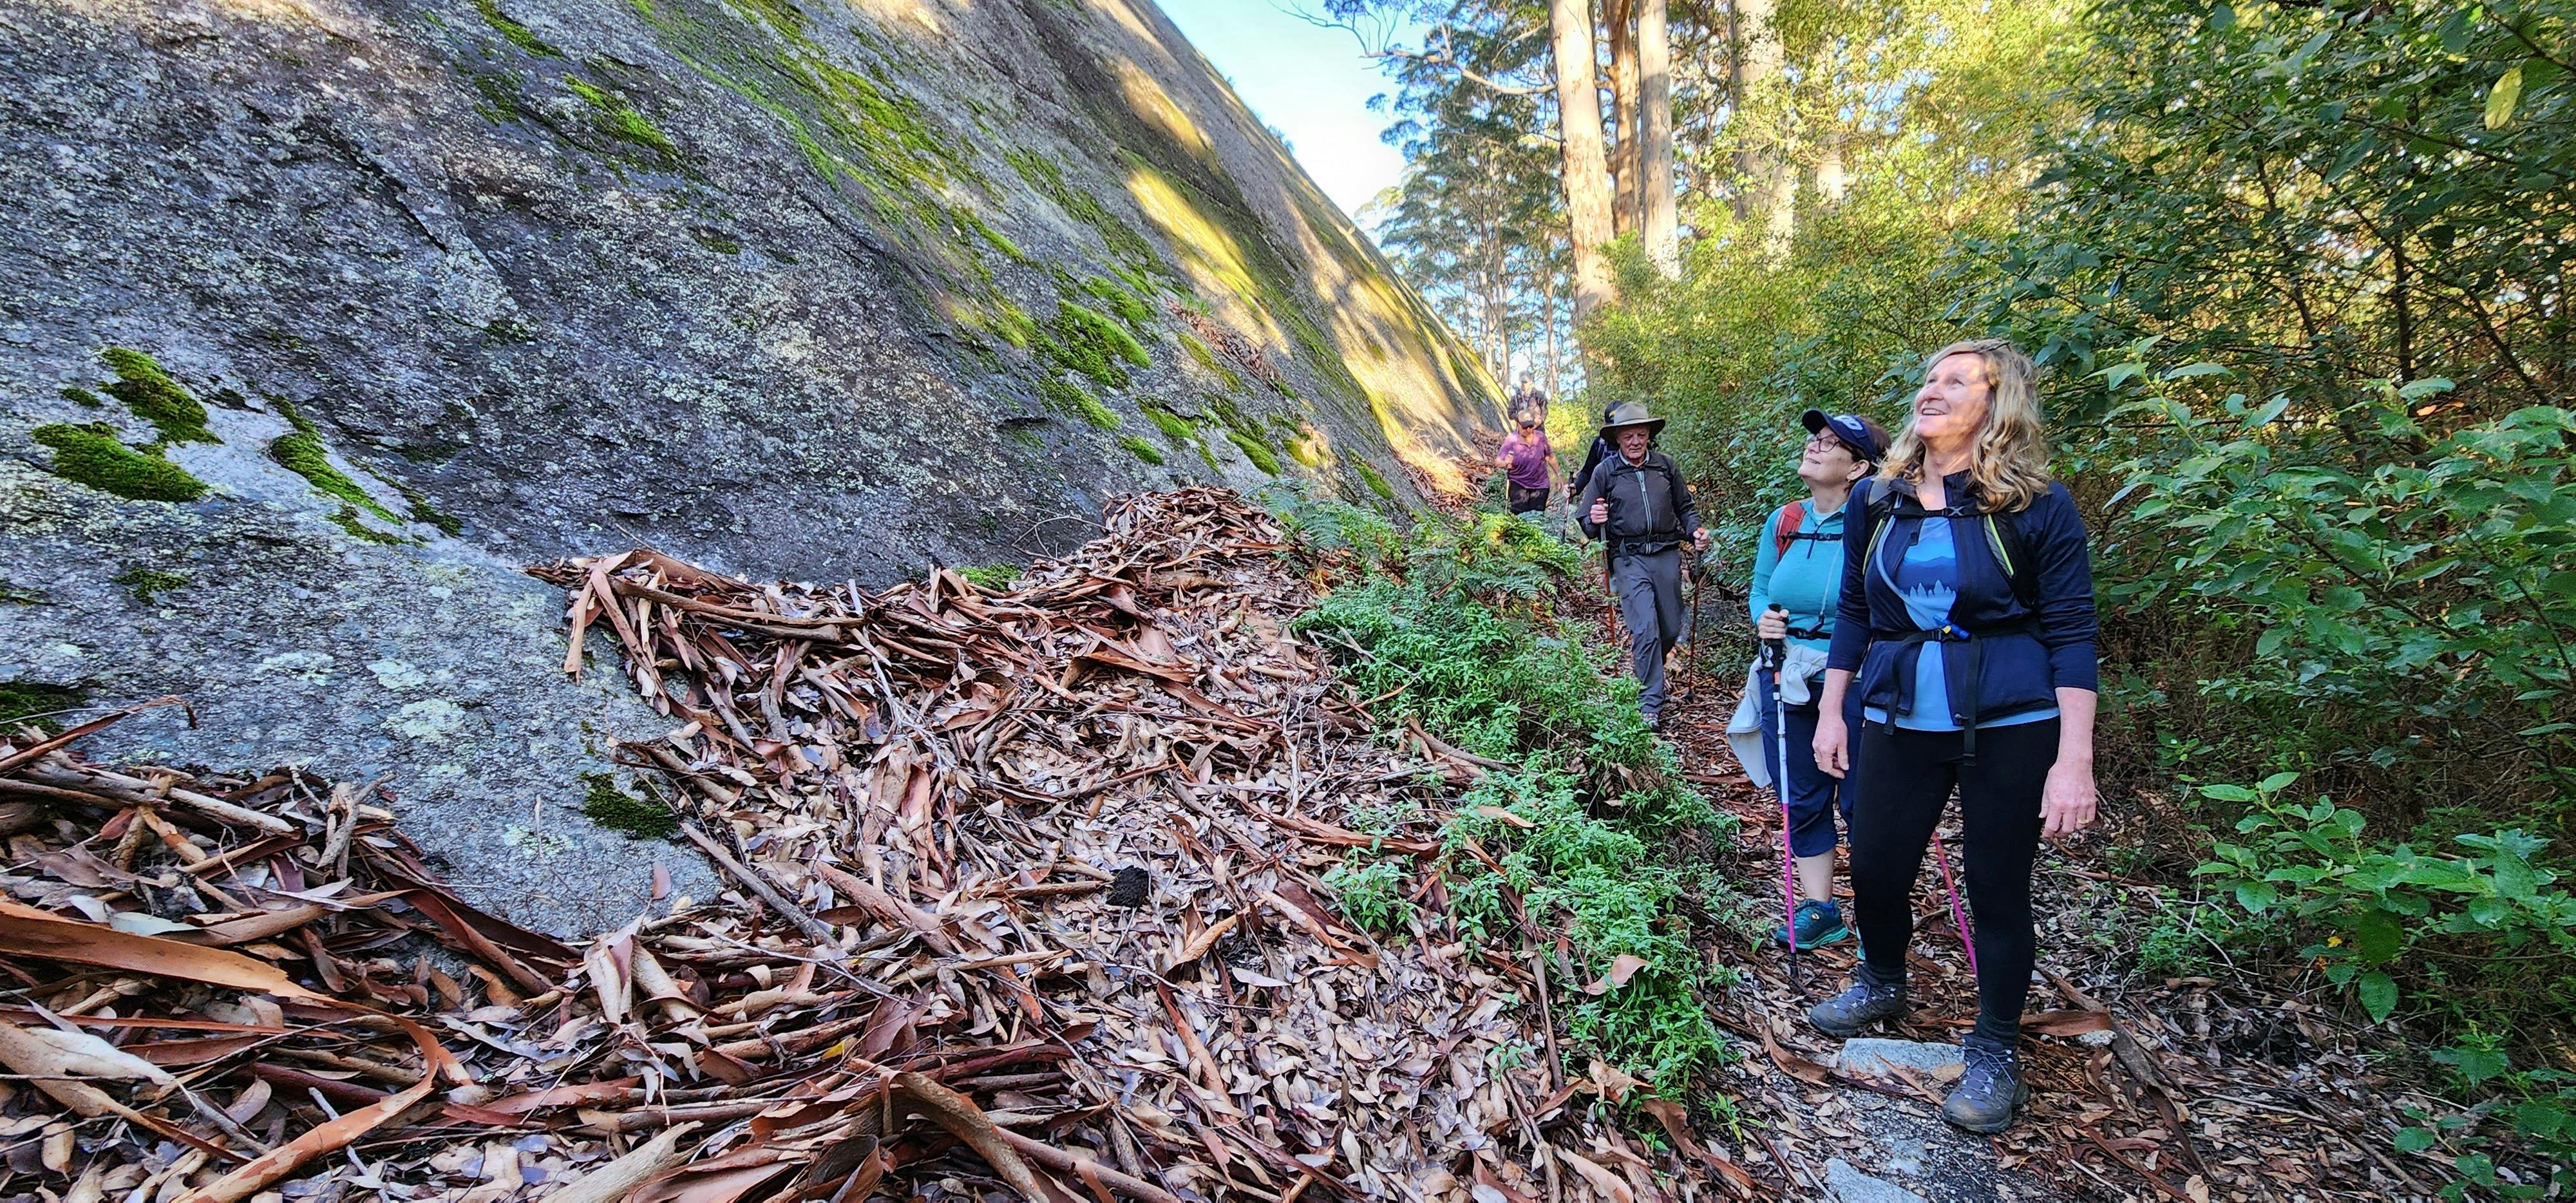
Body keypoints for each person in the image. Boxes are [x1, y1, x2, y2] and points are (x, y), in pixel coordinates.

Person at [1804, 339, 2100, 1134]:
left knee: (1997, 883)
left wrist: (2074, 759)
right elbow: (1858, 610)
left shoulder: (2037, 503)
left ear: (1995, 404)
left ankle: (1997, 1045)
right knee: (1876, 860)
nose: (1931, 390)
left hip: (2011, 717)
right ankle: (1881, 978)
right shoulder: (1878, 497)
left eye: (1955, 381)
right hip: (1897, 707)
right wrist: (1833, 710)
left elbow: (2072, 631)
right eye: (1928, 378)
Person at [1741, 409, 1888, 950]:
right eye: (1815, 439)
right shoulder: (1785, 520)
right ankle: (1820, 909)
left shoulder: (1879, 520)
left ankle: (1879, 918)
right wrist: (1765, 617)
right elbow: (1761, 586)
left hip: (1857, 677)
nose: (1815, 447)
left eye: (1831, 444)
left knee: (1862, 800)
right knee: (1802, 796)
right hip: (1786, 671)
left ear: (1857, 469)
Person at [1578, 403, 1710, 730]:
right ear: (1618, 439)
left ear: (1649, 435)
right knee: (1645, 629)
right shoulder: (1605, 472)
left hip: (1666, 554)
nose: (1635, 441)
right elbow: (1586, 517)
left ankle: (1651, 668)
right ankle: (1650, 702)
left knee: (1670, 627)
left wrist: (1695, 532)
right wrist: (1594, 520)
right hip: (1628, 557)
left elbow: (1686, 507)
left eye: (1640, 434)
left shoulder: (1665, 467)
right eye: (1628, 436)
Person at [1496, 407, 1558, 516]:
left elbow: (1550, 456)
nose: (1529, 430)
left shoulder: (1540, 437)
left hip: (1541, 485)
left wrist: (1559, 475)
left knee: (1537, 519)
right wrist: (1506, 463)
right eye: (1525, 427)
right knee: (1520, 518)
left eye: (1531, 426)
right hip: (1518, 484)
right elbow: (1497, 462)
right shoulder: (1512, 440)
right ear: (1518, 425)